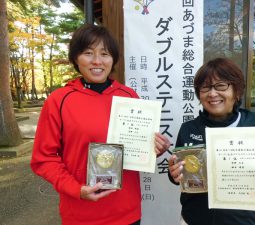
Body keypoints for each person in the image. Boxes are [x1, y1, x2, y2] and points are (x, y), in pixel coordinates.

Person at [30, 24, 170, 225]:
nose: (97, 61)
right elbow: (43, 159)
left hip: (126, 211)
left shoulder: (129, 96)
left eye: (104, 54)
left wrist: (156, 149)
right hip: (80, 213)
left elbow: (138, 149)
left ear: (112, 59)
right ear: (76, 58)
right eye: (88, 53)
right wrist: (75, 189)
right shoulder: (59, 100)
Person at [168, 57, 255, 225]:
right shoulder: (189, 129)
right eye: (205, 87)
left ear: (236, 91)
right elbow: (177, 176)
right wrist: (173, 173)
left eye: (221, 85)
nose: (212, 93)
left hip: (243, 221)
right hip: (193, 219)